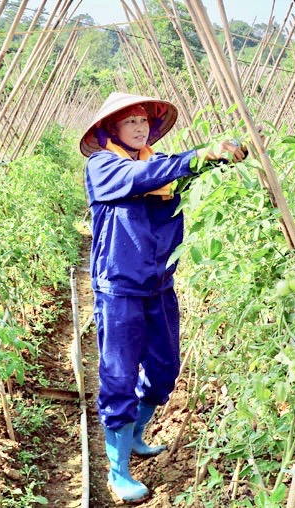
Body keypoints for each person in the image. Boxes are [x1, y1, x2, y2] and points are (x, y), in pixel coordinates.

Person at [80, 92, 246, 503]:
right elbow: (144, 178)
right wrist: (198, 156)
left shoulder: (161, 167)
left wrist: (221, 156)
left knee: (164, 370)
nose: (139, 128)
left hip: (158, 285)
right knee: (118, 377)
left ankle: (135, 435)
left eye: (142, 122)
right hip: (118, 287)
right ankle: (118, 470)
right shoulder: (103, 166)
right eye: (129, 123)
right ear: (110, 130)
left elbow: (174, 171)